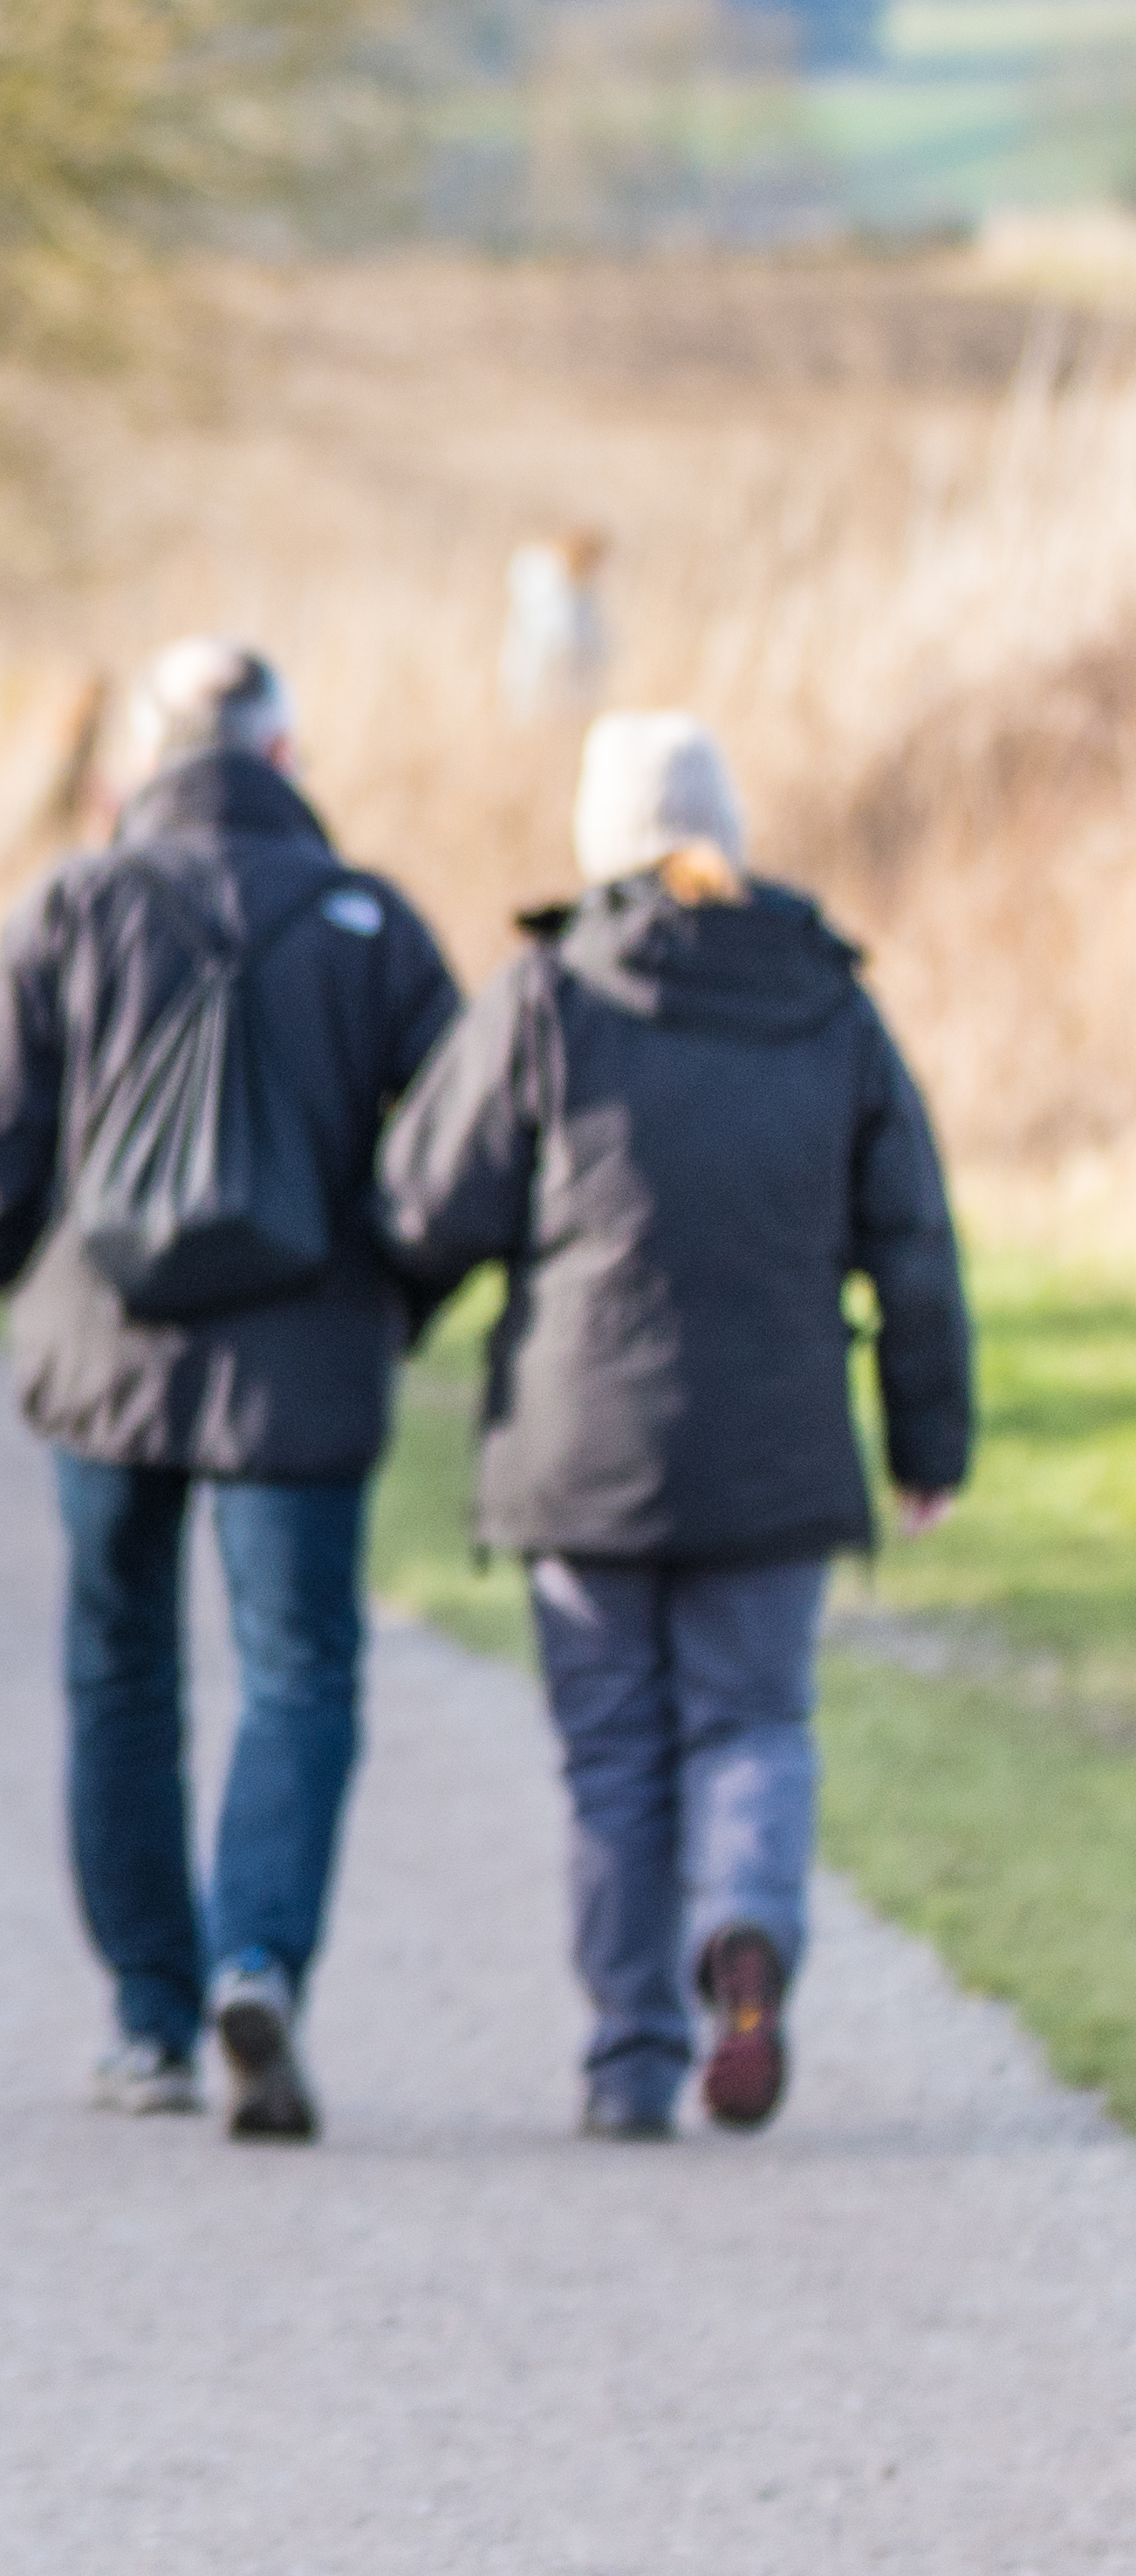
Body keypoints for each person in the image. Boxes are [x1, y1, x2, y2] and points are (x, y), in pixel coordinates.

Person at [376, 712, 970, 2141]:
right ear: (731, 828)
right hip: (775, 1440)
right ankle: (747, 1931)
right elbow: (915, 1246)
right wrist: (927, 1444)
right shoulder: (832, 1000)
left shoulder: (547, 993)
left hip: (585, 1444)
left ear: (601, 838)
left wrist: (377, 1327)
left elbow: (425, 1207)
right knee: (755, 1719)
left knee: (615, 1756)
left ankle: (631, 2057)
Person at [0, 637, 460, 2141]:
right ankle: (259, 1963)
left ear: (138, 768)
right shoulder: (370, 922)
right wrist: (392, 1292)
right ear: (285, 759)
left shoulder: (73, 906)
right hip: (302, 1368)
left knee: (120, 1670)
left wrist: (29, 1277)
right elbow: (470, 1143)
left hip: (109, 1358)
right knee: (300, 1672)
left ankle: (153, 2023)